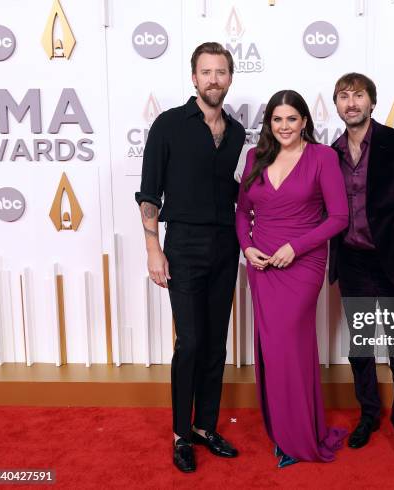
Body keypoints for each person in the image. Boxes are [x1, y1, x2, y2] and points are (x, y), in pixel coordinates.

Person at [135, 42, 246, 473]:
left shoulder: (236, 133)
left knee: (216, 343)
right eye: (206, 72)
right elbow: (149, 193)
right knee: (191, 342)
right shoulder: (168, 125)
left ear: (230, 78)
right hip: (181, 245)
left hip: (226, 246)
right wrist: (153, 250)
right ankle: (181, 433)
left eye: (221, 72)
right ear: (193, 77)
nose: (214, 79)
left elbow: (238, 192)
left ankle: (206, 427)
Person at [236, 90, 349, 468]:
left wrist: (295, 248)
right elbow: (242, 211)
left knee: (288, 345)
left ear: (304, 121)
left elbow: (338, 218)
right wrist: (246, 247)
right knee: (274, 348)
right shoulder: (256, 157)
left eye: (292, 119)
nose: (284, 126)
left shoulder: (323, 157)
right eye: (277, 119)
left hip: (302, 265)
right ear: (269, 123)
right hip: (262, 264)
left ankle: (296, 436)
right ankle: (286, 431)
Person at [329, 73, 394, 467]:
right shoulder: (331, 152)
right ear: (337, 105)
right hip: (353, 262)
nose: (351, 103)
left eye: (358, 96)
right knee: (361, 348)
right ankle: (369, 415)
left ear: (372, 103)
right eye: (344, 96)